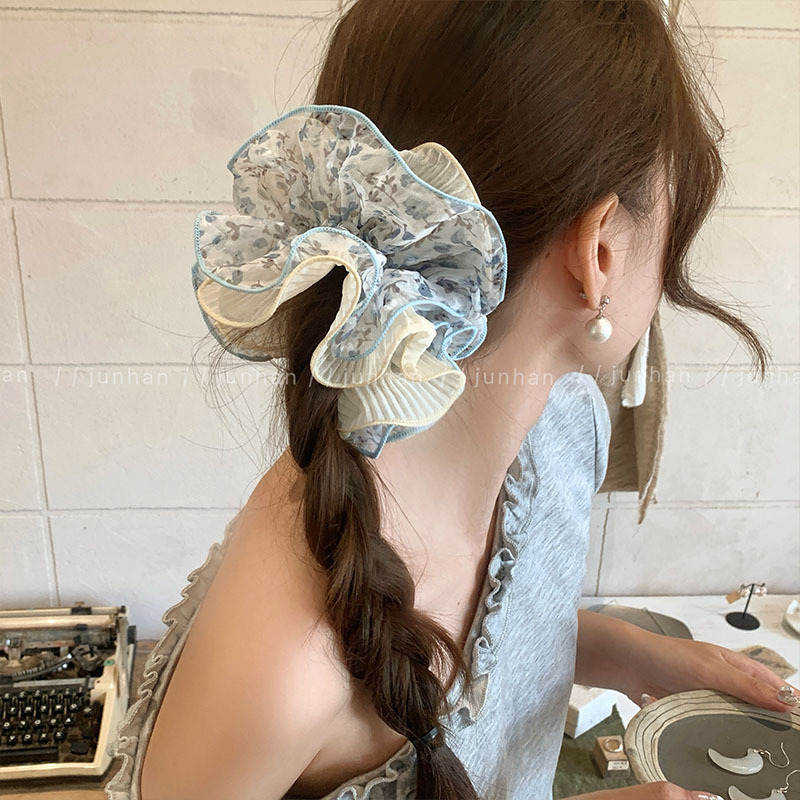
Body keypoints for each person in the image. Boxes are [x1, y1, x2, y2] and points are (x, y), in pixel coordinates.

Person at [104, 2, 798, 800]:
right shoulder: (288, 663)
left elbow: (493, 635)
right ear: (600, 250)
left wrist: (637, 655)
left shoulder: (562, 425)